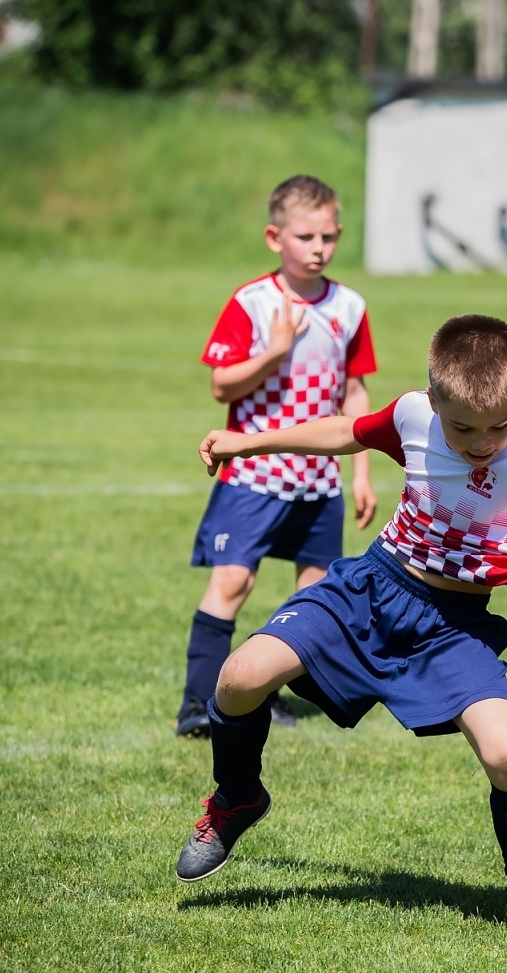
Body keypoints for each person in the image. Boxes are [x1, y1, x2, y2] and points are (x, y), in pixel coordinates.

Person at [175, 315, 507, 944]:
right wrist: (247, 442)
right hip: (371, 588)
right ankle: (237, 798)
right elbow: (344, 434)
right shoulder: (411, 416)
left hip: (453, 628)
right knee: (240, 677)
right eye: (463, 427)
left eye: (499, 426)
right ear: (434, 399)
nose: (483, 441)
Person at [176, 175, 379, 739]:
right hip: (255, 477)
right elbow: (223, 386)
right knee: (233, 584)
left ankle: (263, 695)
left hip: (319, 481)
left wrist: (360, 472)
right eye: (306, 236)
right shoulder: (252, 302)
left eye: (329, 236)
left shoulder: (350, 306)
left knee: (310, 599)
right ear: (274, 237)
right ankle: (199, 702)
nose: (319, 248)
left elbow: (355, 392)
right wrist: (276, 351)